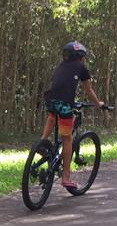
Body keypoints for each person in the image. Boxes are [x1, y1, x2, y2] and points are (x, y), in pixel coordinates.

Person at [41, 41, 105, 189]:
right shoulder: (81, 68)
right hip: (65, 104)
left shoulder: (60, 66)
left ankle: (42, 143)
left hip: (50, 99)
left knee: (52, 116)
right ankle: (66, 177)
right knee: (67, 138)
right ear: (81, 57)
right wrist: (98, 104)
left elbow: (60, 85)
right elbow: (88, 90)